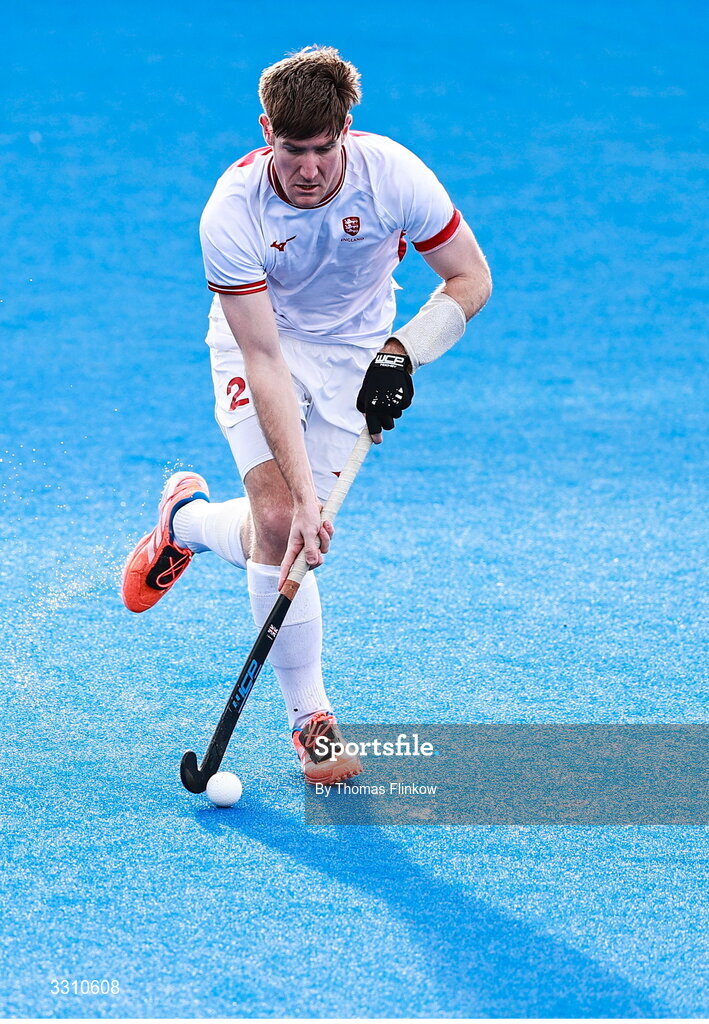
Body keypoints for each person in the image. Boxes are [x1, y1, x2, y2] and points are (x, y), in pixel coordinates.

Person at [121, 45, 492, 785]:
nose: (310, 169)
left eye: (324, 149)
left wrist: (403, 354)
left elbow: (470, 278)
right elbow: (262, 358)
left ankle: (185, 522)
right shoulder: (232, 211)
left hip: (357, 352)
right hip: (260, 344)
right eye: (293, 151)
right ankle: (310, 720)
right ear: (267, 132)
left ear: (346, 129)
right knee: (282, 518)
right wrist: (300, 499)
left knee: (279, 531)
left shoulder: (394, 176)